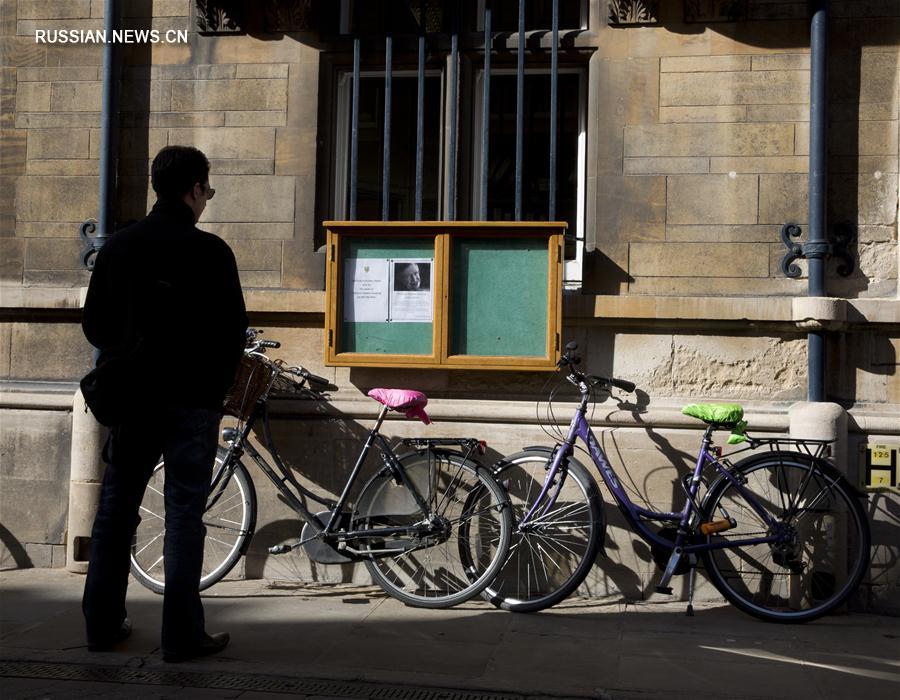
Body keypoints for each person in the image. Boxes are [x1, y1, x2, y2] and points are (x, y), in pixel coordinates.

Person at [81, 145, 248, 662]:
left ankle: (102, 624)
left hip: (133, 400)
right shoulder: (212, 252)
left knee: (115, 511)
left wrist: (131, 350)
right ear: (194, 189)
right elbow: (231, 334)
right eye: (207, 192)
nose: (206, 202)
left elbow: (95, 325)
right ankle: (180, 635)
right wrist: (213, 388)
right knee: (182, 515)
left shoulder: (121, 247)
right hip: (191, 403)